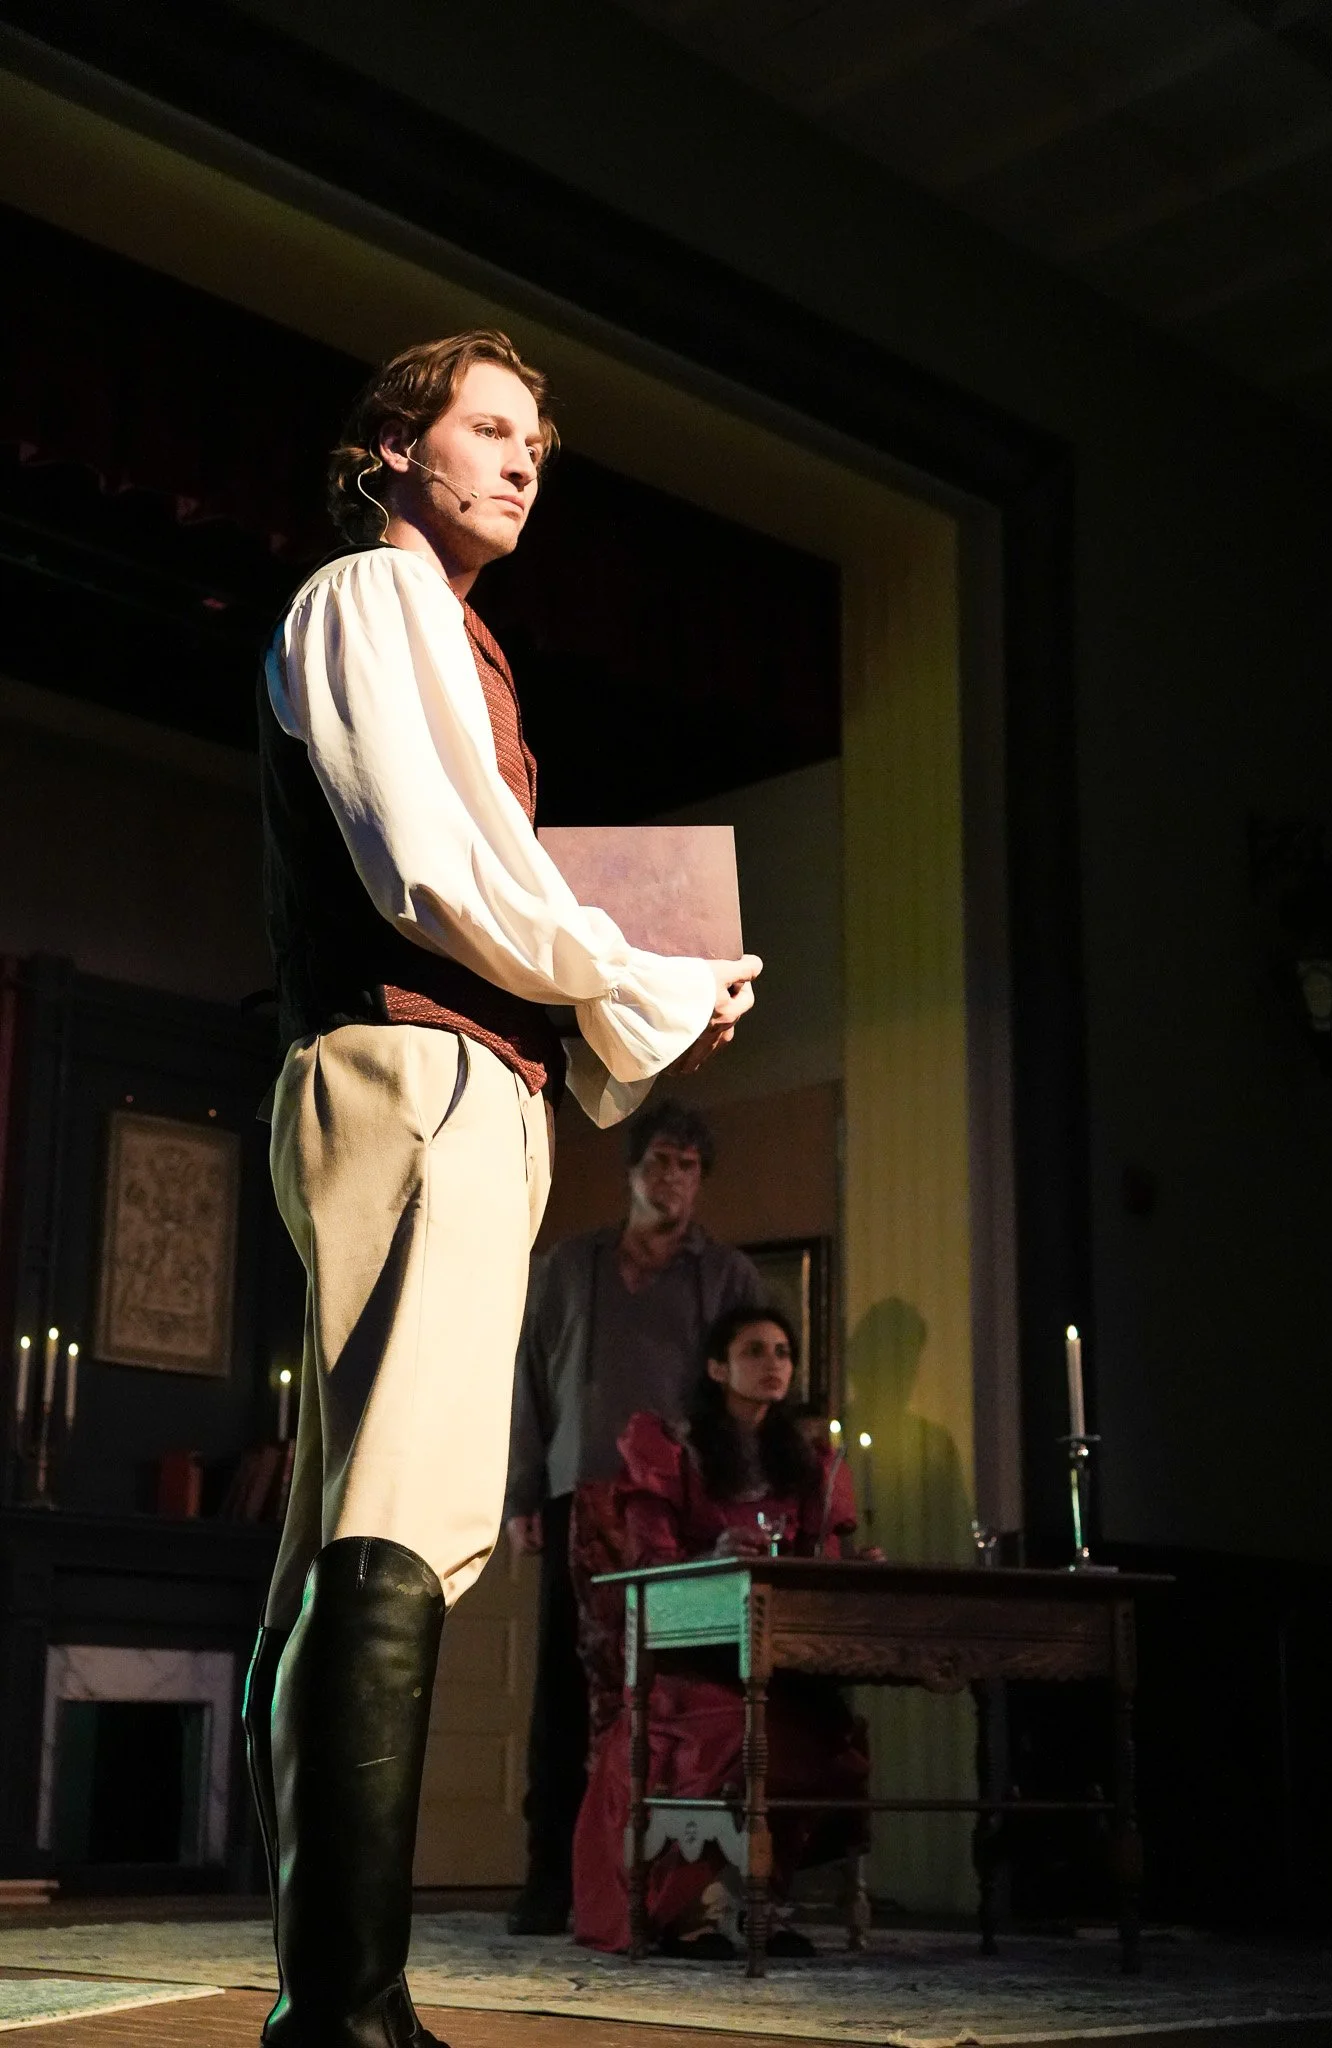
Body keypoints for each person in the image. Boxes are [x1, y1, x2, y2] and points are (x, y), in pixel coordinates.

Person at [239, 329, 762, 2048]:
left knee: (361, 1519)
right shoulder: (367, 602)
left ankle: (335, 1994)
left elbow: (496, 893)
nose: (521, 458)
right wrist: (645, 982)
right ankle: (348, 2008)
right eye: (485, 426)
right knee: (386, 1515)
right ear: (392, 447)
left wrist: (644, 1000)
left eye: (535, 438)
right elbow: (439, 873)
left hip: (468, 1081)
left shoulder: (456, 636)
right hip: (412, 1074)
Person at [503, 1098, 763, 1934]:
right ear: (631, 1170)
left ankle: (666, 1888)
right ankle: (552, 1881)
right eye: (658, 1161)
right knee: (563, 1698)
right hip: (576, 1496)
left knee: (666, 1691)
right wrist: (519, 1493)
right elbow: (526, 1384)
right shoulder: (569, 1264)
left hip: (676, 1510)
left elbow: (744, 1398)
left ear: (700, 1179)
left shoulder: (724, 1277)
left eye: (687, 1166)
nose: (671, 1178)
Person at [572, 1306, 872, 1959]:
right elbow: (648, 1562)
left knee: (818, 1732)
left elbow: (814, 1556)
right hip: (687, 1656)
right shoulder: (670, 1446)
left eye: (782, 1352)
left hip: (771, 1654)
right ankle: (693, 1909)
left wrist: (838, 1568)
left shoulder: (804, 1458)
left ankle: (758, 1901)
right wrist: (713, 1553)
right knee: (727, 1727)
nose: (772, 1364)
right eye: (754, 1350)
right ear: (716, 1367)